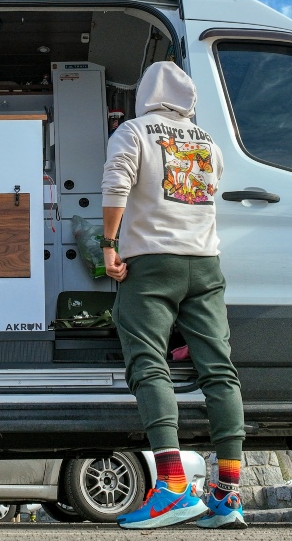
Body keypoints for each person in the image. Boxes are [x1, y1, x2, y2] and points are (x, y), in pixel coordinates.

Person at [100, 61, 245, 530]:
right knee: (219, 371)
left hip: (151, 266)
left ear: (145, 95)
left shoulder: (133, 132)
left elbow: (116, 183)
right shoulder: (207, 142)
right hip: (205, 265)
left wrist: (108, 245)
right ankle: (227, 495)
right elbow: (208, 192)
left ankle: (173, 487)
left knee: (149, 365)